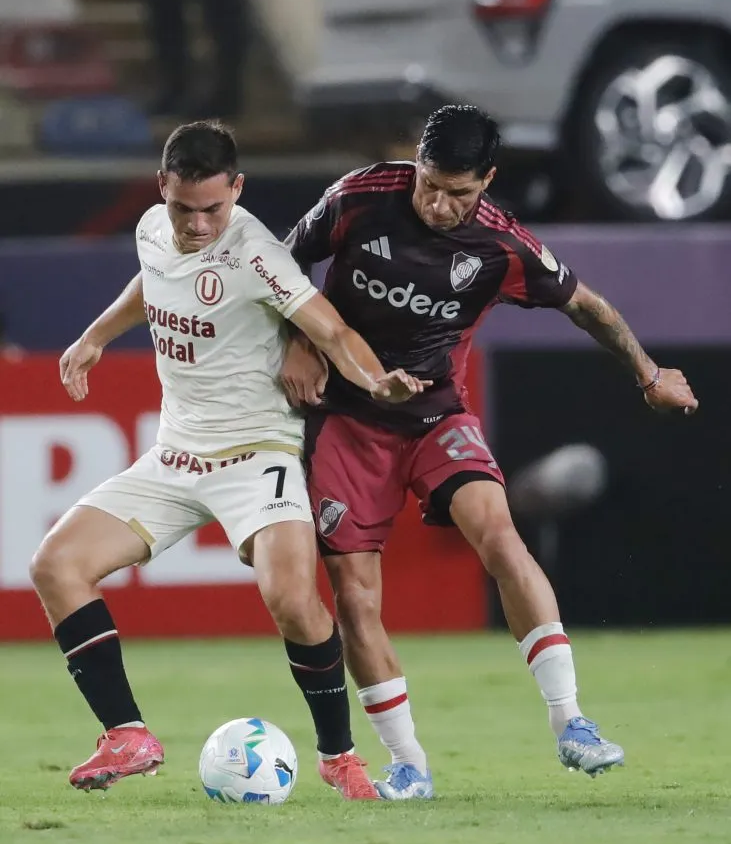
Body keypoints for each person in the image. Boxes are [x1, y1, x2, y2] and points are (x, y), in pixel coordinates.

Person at [282, 104, 699, 800]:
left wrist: (647, 373)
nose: (440, 205)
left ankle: (571, 722)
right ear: (414, 163)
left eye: (459, 193)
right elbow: (279, 264)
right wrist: (300, 337)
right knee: (354, 598)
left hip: (437, 414)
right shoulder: (356, 198)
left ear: (488, 182)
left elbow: (587, 306)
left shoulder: (502, 248)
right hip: (346, 423)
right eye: (429, 185)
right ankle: (408, 764)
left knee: (501, 538)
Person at [29, 120, 427, 800]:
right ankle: (126, 734)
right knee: (56, 566)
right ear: (163, 190)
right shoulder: (154, 229)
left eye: (213, 208)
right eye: (184, 208)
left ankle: (338, 755)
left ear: (236, 190)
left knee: (292, 600)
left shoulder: (258, 254)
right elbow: (152, 282)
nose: (197, 224)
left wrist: (375, 381)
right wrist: (95, 336)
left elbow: (329, 330)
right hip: (175, 455)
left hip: (257, 455)